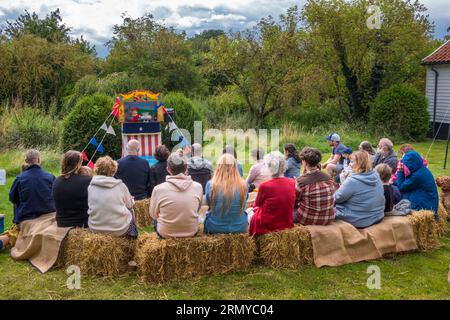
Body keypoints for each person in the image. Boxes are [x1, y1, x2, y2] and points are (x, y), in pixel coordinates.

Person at [150, 152, 203, 238]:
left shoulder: (158, 189)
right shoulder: (198, 187)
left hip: (165, 233)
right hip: (191, 231)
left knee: (155, 221)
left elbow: (153, 215)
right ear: (186, 168)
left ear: (168, 169)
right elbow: (197, 209)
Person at [88, 156, 137, 237]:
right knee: (131, 211)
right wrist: (131, 200)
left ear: (96, 169)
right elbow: (129, 205)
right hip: (119, 229)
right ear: (113, 171)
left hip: (95, 228)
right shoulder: (121, 186)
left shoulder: (91, 186)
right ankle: (133, 234)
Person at [249, 151, 296, 236]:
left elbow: (257, 204)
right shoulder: (293, 182)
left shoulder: (265, 186)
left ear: (269, 167)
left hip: (268, 225)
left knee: (248, 213)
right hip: (286, 222)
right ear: (283, 166)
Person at [334, 151, 385, 228]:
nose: (349, 164)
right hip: (378, 215)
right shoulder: (375, 174)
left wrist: (343, 182)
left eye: (351, 162)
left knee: (331, 207)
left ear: (359, 163)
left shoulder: (352, 180)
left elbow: (337, 198)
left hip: (361, 220)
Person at [204, 154, 249, 234]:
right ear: (235, 167)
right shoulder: (244, 185)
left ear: (219, 167)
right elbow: (243, 205)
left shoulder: (211, 185)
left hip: (215, 227)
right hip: (239, 227)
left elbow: (209, 205)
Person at [9, 149, 56, 225]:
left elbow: (12, 198)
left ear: (26, 161)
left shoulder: (19, 178)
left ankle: (17, 223)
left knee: (16, 202)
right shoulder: (50, 177)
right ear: (39, 160)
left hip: (27, 216)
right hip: (49, 212)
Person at [294, 147, 337, 225]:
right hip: (329, 218)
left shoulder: (301, 181)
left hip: (308, 219)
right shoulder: (328, 178)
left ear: (304, 162)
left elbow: (294, 201)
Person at [52, 151, 92, 228]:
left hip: (61, 223)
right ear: (77, 164)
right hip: (82, 223)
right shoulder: (87, 181)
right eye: (81, 162)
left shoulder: (56, 181)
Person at [396, 150, 439, 220]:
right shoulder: (421, 169)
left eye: (405, 164)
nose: (404, 166)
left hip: (427, 204)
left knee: (401, 197)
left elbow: (401, 187)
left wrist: (400, 171)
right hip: (429, 198)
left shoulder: (417, 176)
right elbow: (407, 181)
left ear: (411, 164)